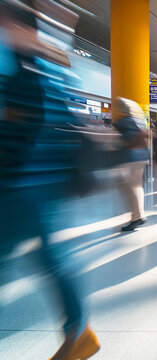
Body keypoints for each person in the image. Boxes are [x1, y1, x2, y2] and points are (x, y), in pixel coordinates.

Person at [0, 3, 101, 358]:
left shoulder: (20, 68)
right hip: (48, 186)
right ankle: (78, 330)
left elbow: (19, 130)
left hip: (18, 185)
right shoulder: (53, 70)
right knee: (52, 257)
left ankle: (78, 330)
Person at [113, 97, 150, 232]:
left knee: (129, 186)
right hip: (142, 154)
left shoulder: (122, 121)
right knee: (136, 186)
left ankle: (137, 217)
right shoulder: (137, 120)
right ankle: (137, 215)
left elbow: (124, 139)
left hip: (131, 156)